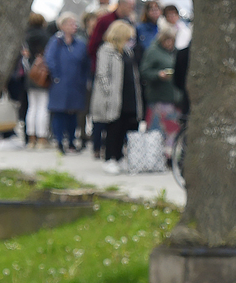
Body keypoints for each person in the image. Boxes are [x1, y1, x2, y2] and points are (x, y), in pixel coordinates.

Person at [93, 19, 138, 171]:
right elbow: (102, 74)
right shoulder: (107, 50)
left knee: (124, 126)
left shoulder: (127, 51)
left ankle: (119, 157)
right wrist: (108, 91)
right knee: (113, 127)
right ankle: (109, 158)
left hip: (127, 95)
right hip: (113, 97)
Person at [43, 15, 89, 151]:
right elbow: (49, 59)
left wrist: (83, 78)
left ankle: (71, 141)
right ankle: (59, 141)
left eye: (74, 24)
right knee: (59, 112)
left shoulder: (80, 43)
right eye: (70, 23)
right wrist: (56, 76)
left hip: (76, 83)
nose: (73, 26)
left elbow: (86, 61)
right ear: (62, 26)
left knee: (73, 113)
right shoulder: (55, 42)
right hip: (60, 84)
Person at [142, 24, 183, 151]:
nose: (169, 43)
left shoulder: (175, 52)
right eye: (167, 40)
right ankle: (154, 154)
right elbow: (144, 71)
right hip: (158, 97)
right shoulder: (153, 51)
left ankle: (169, 154)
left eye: (172, 40)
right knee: (157, 131)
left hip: (172, 98)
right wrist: (158, 75)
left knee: (172, 130)